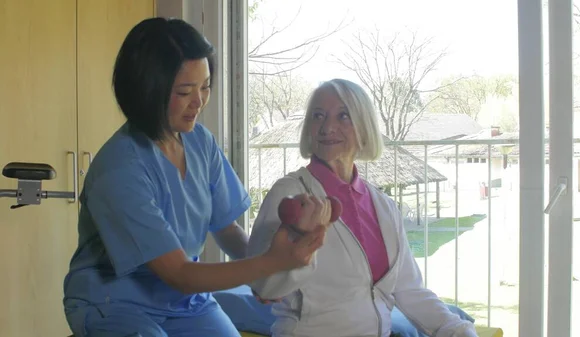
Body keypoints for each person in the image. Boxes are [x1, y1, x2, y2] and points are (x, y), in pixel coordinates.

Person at [62, 17, 331, 337]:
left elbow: (227, 231)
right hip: (113, 303)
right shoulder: (120, 170)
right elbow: (179, 273)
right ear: (148, 92)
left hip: (185, 301)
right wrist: (270, 262)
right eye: (185, 91)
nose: (200, 101)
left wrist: (272, 273)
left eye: (205, 86)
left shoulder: (199, 141)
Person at [247, 79, 479, 337]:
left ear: (365, 129)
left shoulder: (384, 205)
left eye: (343, 116)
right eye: (318, 116)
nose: (327, 127)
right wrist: (301, 243)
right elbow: (264, 287)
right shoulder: (290, 193)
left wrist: (458, 329)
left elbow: (409, 290)